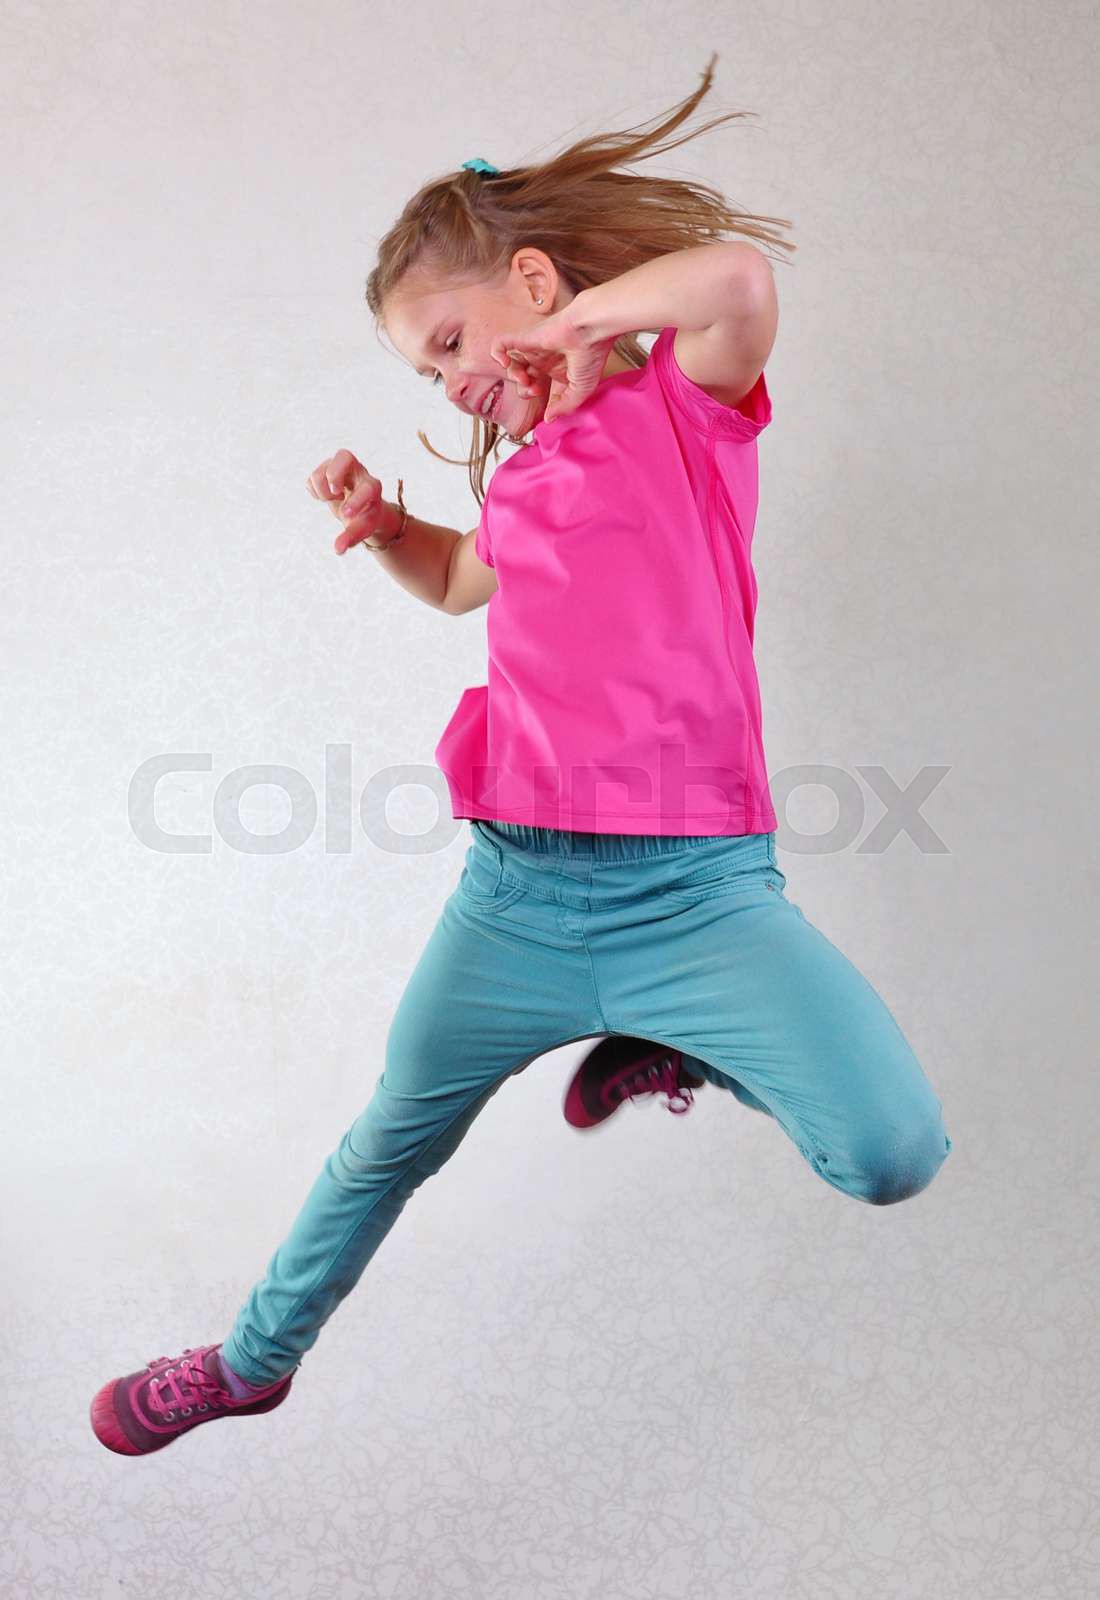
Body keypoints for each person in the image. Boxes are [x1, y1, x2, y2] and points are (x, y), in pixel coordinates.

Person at [90, 54, 952, 1456]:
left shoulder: (683, 413)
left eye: (445, 344)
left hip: (697, 898)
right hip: (515, 901)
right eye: (421, 369)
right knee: (390, 1139)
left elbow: (735, 284)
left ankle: (665, 1037)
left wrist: (599, 335)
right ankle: (251, 1360)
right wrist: (386, 529)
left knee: (889, 1157)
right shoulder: (532, 473)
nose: (446, 381)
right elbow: (459, 587)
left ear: (537, 287)